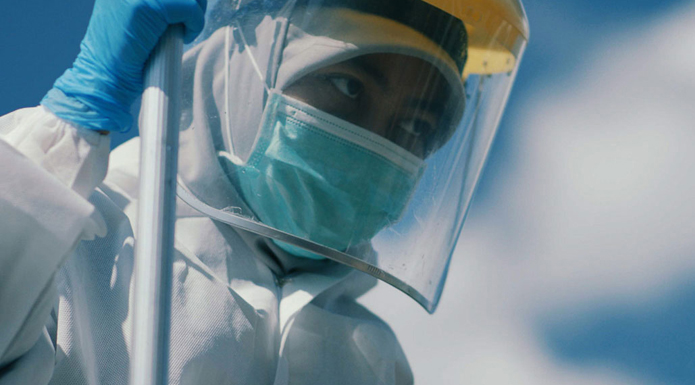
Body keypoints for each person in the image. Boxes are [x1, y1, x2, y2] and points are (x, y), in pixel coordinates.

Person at [0, 0, 528, 384]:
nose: (378, 139)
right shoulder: (78, 246)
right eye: (349, 85)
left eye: (415, 125)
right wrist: (70, 122)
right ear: (244, 75)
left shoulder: (374, 360)